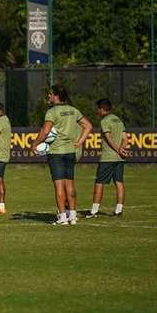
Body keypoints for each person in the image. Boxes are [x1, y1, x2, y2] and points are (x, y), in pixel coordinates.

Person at [30, 84, 92, 226]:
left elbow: (45, 132)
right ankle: (73, 216)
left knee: (59, 186)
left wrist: (34, 144)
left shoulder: (52, 112)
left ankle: (62, 217)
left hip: (56, 153)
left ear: (56, 95)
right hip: (70, 151)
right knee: (70, 184)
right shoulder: (73, 110)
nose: (49, 96)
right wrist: (79, 142)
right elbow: (88, 126)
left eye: (51, 94)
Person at [87, 99, 128, 218]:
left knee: (99, 183)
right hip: (119, 158)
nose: (97, 112)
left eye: (97, 109)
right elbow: (125, 138)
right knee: (119, 182)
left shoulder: (105, 121)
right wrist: (121, 150)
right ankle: (119, 210)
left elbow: (108, 138)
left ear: (101, 109)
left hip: (108, 157)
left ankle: (94, 211)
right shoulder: (118, 120)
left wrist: (118, 150)